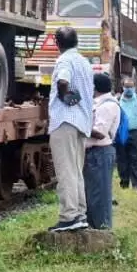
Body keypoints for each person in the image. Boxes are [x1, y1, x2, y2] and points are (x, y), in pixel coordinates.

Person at [47, 26, 94, 232]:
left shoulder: (64, 60)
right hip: (82, 122)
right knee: (76, 170)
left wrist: (65, 95)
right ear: (77, 42)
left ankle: (68, 216)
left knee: (65, 170)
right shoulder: (85, 62)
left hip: (64, 121)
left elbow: (62, 80)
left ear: (57, 44)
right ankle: (80, 214)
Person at [84, 73, 120, 230]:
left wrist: (80, 125)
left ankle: (103, 231)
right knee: (91, 194)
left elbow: (100, 133)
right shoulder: (99, 104)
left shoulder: (107, 106)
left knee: (100, 195)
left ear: (94, 87)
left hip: (100, 153)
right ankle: (93, 228)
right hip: (94, 153)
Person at [116, 76, 137, 191]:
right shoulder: (117, 100)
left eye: (131, 86)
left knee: (135, 159)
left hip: (135, 132)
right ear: (122, 87)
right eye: (126, 87)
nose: (129, 89)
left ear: (134, 87)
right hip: (121, 133)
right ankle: (124, 183)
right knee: (122, 159)